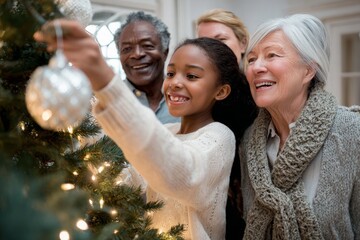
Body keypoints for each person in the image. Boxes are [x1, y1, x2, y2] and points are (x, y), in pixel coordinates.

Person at [34, 18, 256, 239]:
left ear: (221, 91)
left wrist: (105, 79)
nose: (175, 82)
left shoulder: (220, 136)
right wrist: (87, 96)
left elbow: (182, 172)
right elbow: (128, 182)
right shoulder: (168, 130)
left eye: (191, 76)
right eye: (171, 73)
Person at [240, 13, 360, 239]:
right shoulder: (249, 142)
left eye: (271, 55)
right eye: (252, 58)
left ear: (308, 70)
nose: (256, 67)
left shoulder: (352, 132)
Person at [196, 8, 255, 239]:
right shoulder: (201, 96)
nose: (214, 50)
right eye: (205, 43)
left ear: (242, 43)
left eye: (221, 40)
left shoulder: (259, 88)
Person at [113, 11, 179, 124]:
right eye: (127, 49)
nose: (137, 54)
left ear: (165, 52)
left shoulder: (185, 97)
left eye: (147, 46)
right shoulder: (108, 102)